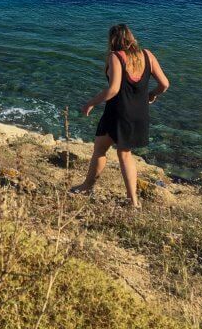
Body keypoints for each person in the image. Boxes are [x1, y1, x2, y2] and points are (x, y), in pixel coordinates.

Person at [72, 23, 169, 208]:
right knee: (125, 153)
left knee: (100, 150)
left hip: (118, 112)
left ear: (113, 40)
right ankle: (133, 201)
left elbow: (114, 89)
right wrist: (152, 94)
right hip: (139, 113)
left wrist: (90, 103)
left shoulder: (116, 57)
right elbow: (165, 84)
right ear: (131, 37)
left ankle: (86, 187)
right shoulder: (147, 55)